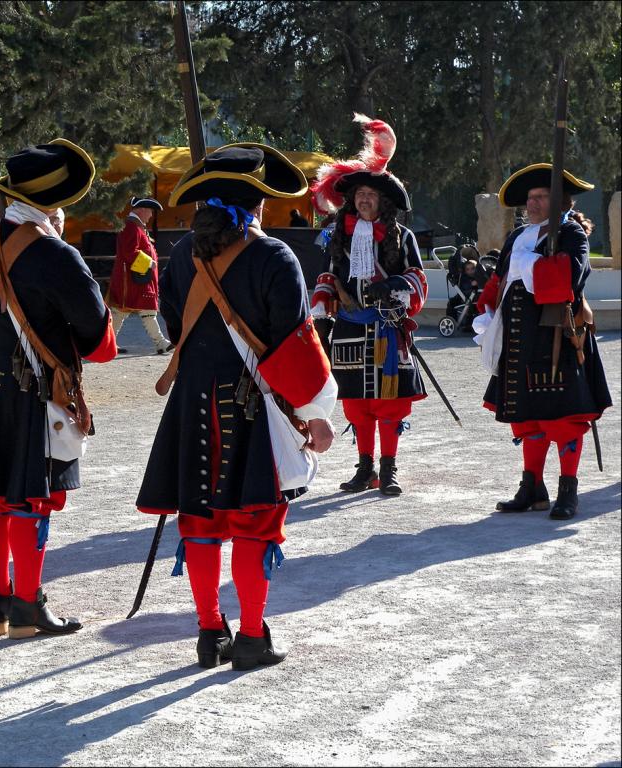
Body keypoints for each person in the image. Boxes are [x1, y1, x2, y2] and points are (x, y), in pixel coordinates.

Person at [136, 144, 337, 670]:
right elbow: (295, 342)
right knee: (255, 525)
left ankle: (209, 633)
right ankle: (251, 637)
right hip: (252, 408)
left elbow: (176, 326)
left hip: (192, 405)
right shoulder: (274, 256)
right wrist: (316, 412)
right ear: (259, 204)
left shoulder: (181, 255)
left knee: (199, 522)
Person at [0, 139, 117, 638]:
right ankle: (28, 605)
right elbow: (99, 340)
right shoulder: (57, 254)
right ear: (54, 203)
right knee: (32, 503)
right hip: (33, 389)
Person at [473, 163, 611, 519]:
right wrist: (487, 309)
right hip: (519, 340)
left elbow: (569, 279)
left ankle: (568, 489)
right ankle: (532, 486)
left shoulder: (571, 234)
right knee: (528, 418)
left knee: (564, 418)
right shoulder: (516, 239)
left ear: (559, 201)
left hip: (557, 339)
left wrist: (530, 264)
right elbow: (499, 281)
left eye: (541, 197)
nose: (532, 205)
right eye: (530, 199)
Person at [309, 115, 428, 496]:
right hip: (347, 326)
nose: (363, 199)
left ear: (382, 202)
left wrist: (394, 284)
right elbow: (328, 274)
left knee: (388, 403)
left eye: (370, 195)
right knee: (357, 404)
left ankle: (389, 469)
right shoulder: (338, 238)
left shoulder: (402, 236)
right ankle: (365, 469)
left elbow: (418, 278)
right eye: (358, 195)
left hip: (385, 328)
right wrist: (323, 299)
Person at [105, 196, 172, 355]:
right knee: (136, 311)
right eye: (149, 211)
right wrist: (150, 262)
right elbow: (130, 252)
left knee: (125, 312)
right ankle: (160, 343)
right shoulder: (131, 227)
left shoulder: (135, 226)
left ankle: (109, 344)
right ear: (141, 210)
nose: (150, 215)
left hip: (137, 278)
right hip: (132, 279)